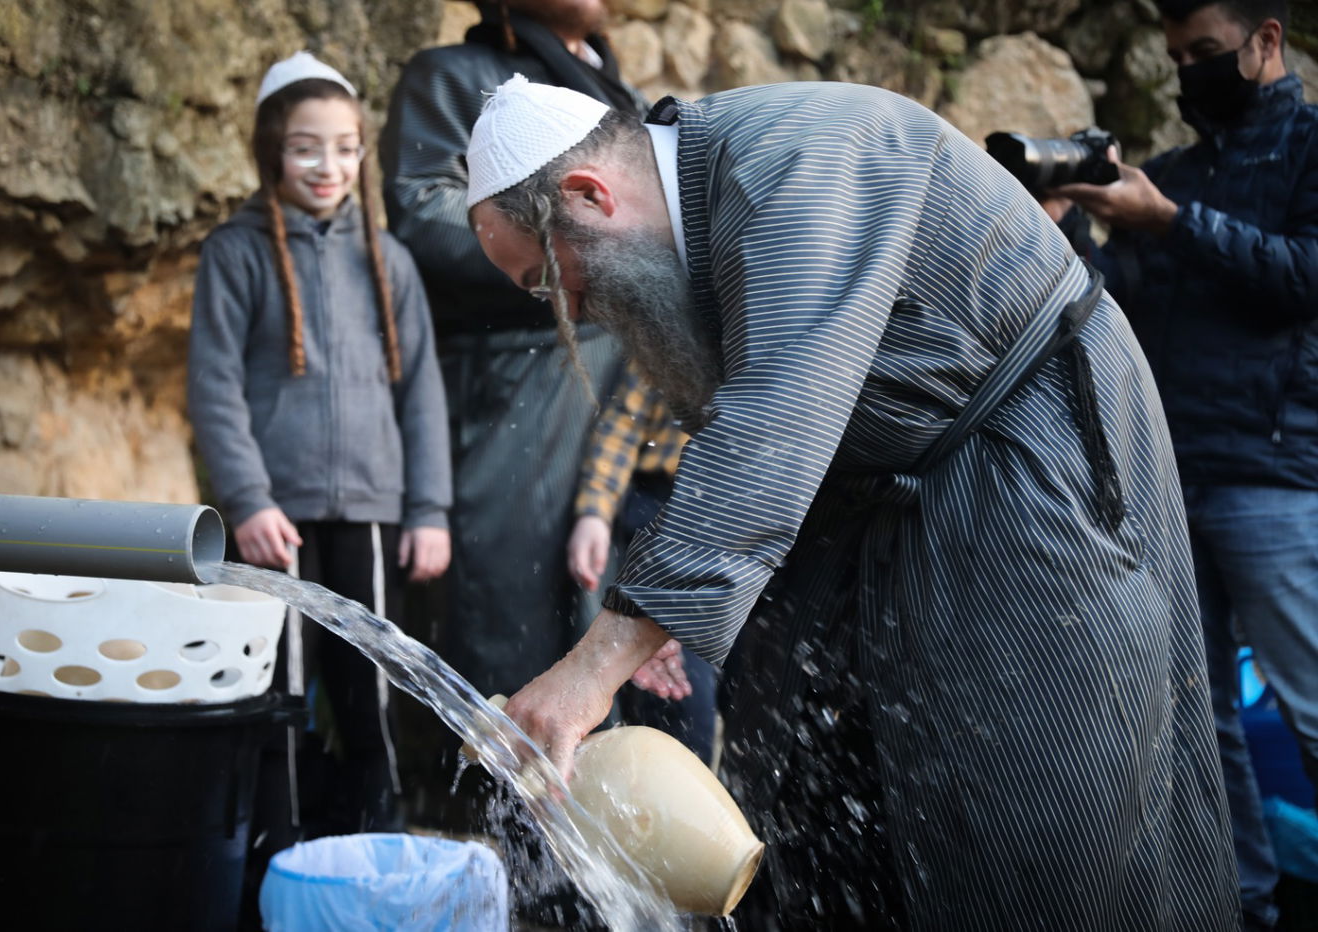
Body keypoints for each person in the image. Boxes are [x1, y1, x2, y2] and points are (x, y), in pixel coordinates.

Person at [464, 75, 1243, 929]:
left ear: (588, 194)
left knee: (1033, 792)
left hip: (1023, 471)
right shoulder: (692, 221)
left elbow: (776, 418)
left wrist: (595, 664)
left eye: (548, 279)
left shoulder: (790, 159)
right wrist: (654, 625)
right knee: (801, 768)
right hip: (873, 502)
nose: (568, 308)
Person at [1046, 2, 1318, 927]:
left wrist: (1170, 221)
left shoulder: (1310, 150)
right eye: (1177, 58)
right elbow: (1113, 302)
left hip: (1273, 476)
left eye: (1207, 53)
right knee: (1201, 719)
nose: (1189, 72)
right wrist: (1068, 222)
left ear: (1267, 42)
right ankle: (1246, 904)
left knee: (1311, 705)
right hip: (1169, 474)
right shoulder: (1175, 174)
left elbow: (1301, 276)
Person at [186, 50, 451, 908]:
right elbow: (214, 389)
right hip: (277, 522)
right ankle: (278, 882)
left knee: (368, 699)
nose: (328, 167)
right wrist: (250, 500)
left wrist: (429, 508)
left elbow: (422, 396)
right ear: (272, 151)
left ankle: (374, 877)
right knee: (286, 705)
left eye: (344, 149)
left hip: (372, 515)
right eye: (307, 149)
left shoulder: (390, 262)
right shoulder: (236, 254)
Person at [378, 0, 642, 825]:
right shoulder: (450, 76)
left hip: (609, 381)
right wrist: (556, 252)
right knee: (502, 597)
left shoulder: (607, 81)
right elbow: (421, 213)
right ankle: (479, 825)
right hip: (504, 383)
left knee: (598, 588)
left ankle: (591, 830)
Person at [567, 358, 718, 763]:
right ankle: (660, 792)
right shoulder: (665, 334)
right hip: (660, 509)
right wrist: (595, 514)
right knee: (679, 697)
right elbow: (620, 425)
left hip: (752, 518)